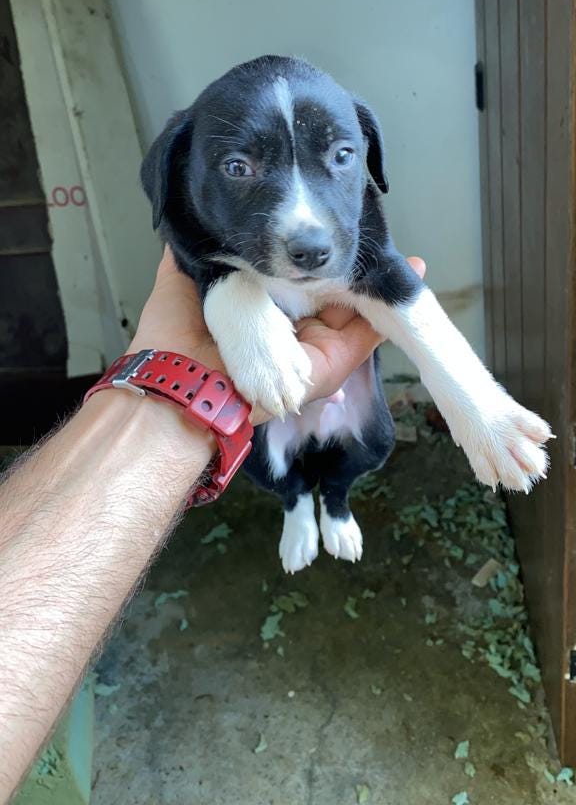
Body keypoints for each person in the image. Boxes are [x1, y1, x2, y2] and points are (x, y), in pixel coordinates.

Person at [0, 247, 425, 799]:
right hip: (263, 388)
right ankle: (297, 502)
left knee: (370, 444)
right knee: (269, 459)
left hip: (341, 377)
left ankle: (334, 501)